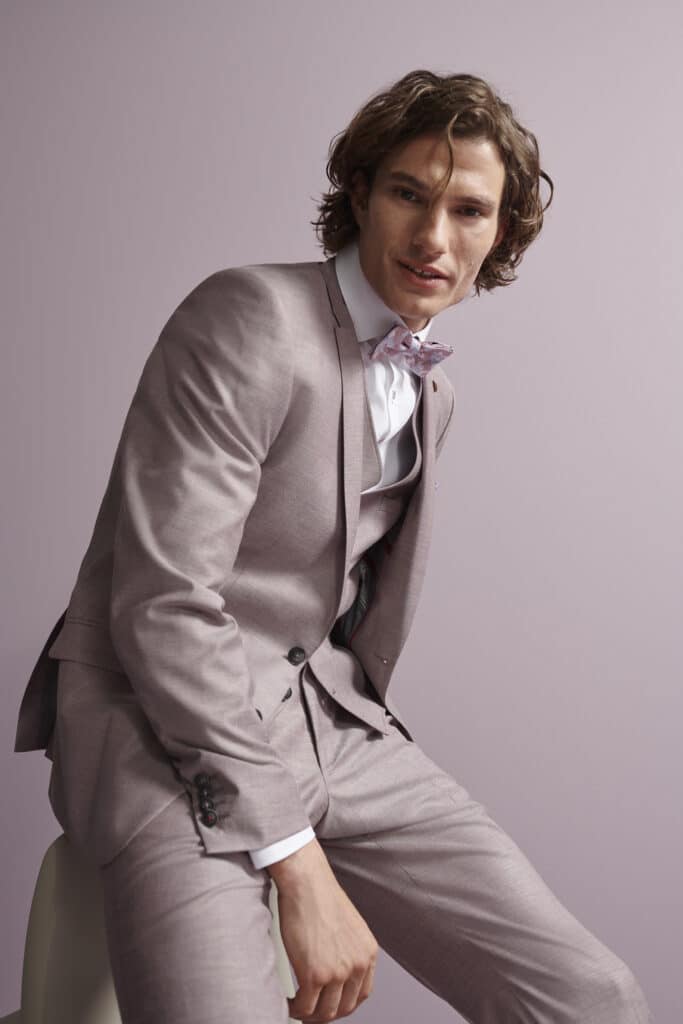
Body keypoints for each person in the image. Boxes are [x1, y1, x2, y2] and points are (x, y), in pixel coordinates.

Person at [14, 69, 653, 1023]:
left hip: (328, 725)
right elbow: (163, 604)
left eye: (469, 211)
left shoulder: (432, 391)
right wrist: (297, 860)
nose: (433, 238)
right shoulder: (248, 316)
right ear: (359, 193)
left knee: (593, 999)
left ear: (500, 235)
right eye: (408, 194)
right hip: (155, 726)